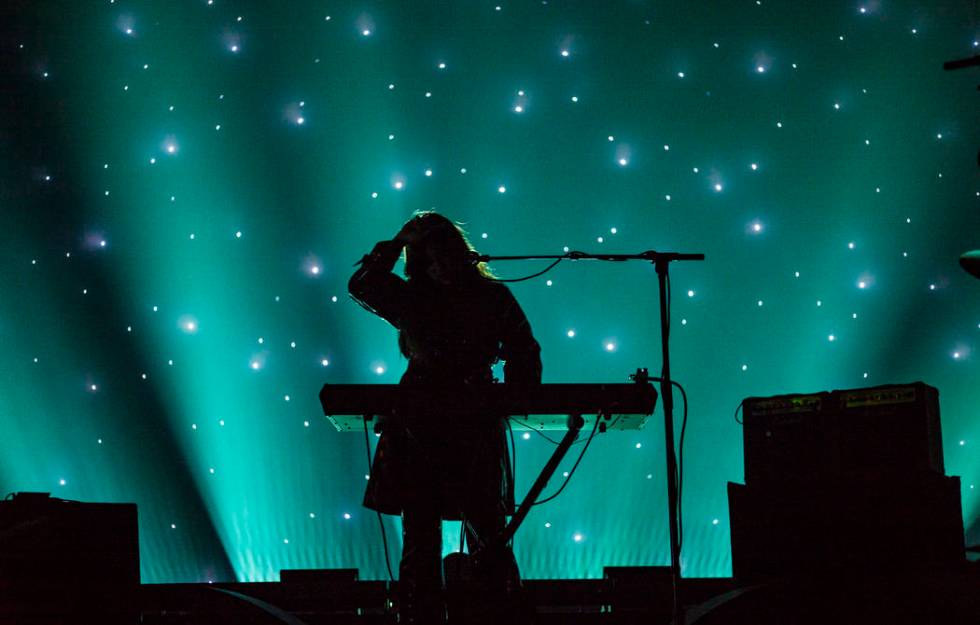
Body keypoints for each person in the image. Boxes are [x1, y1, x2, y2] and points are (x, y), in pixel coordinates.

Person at [348, 211, 542, 624]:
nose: (441, 269)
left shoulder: (491, 297)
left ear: (460, 256)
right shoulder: (414, 297)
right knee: (422, 532)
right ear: (421, 264)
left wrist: (515, 394)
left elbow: (525, 349)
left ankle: (496, 611)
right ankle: (422, 614)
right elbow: (363, 285)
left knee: (486, 529)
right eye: (431, 262)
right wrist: (398, 239)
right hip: (422, 423)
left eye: (445, 259)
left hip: (469, 422)